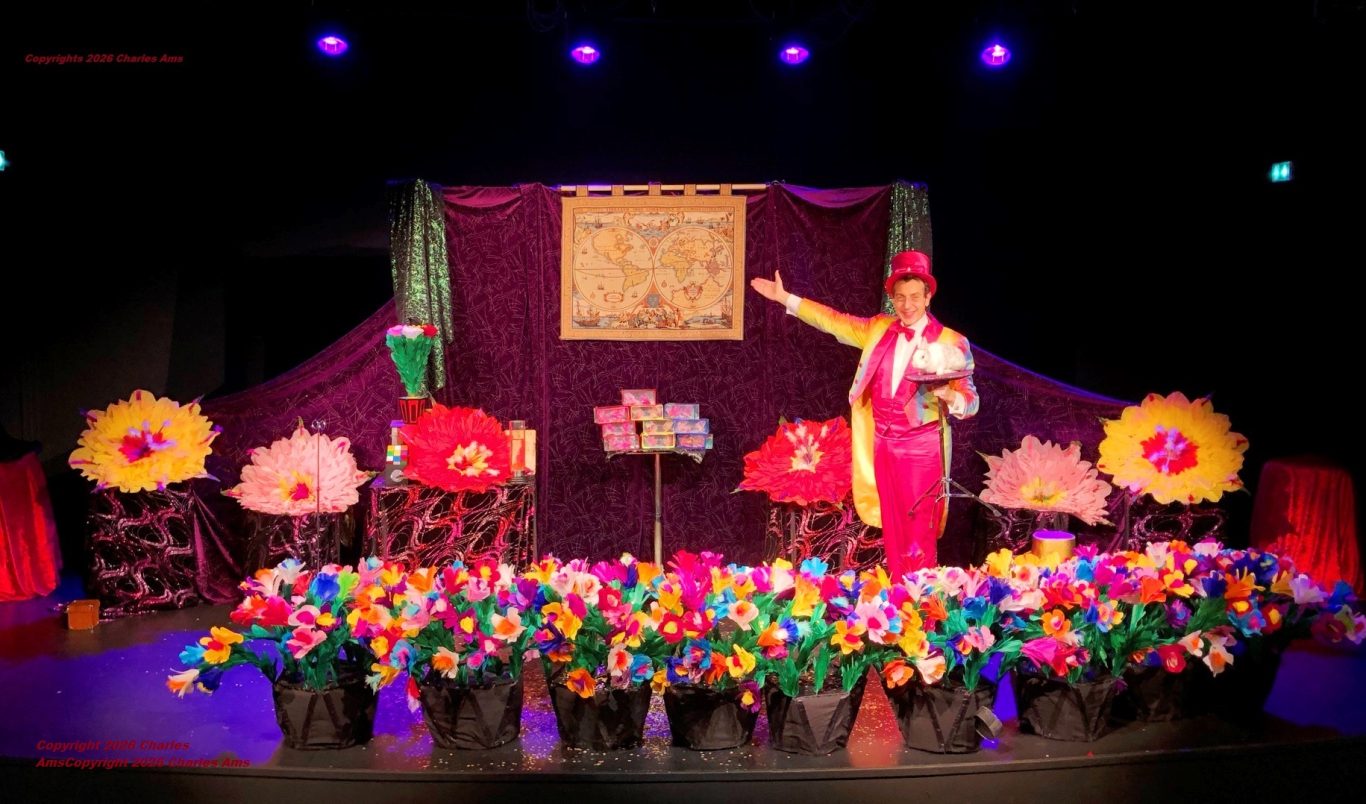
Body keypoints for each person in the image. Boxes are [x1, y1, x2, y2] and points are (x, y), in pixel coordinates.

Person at [750, 250, 978, 575]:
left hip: (921, 450)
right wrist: (786, 298)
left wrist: (950, 398)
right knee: (893, 529)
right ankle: (902, 599)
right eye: (900, 298)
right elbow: (834, 321)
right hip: (882, 444)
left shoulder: (951, 341)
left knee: (919, 534)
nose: (907, 305)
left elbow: (971, 400)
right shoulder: (879, 328)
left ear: (928, 297)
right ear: (892, 299)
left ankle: (922, 602)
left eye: (915, 297)